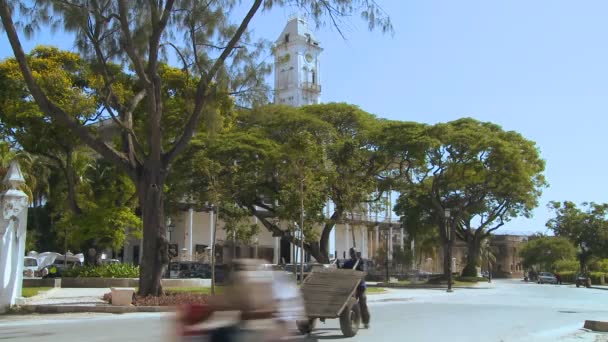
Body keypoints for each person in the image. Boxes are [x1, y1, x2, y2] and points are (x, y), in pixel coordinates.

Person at [341, 247, 370, 329]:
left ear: (356, 253)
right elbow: (343, 270)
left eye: (354, 253)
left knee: (362, 303)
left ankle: (366, 322)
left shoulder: (361, 261)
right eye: (351, 253)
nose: (353, 255)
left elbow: (363, 271)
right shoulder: (348, 263)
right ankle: (352, 320)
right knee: (350, 304)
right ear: (350, 254)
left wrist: (360, 262)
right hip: (351, 286)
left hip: (360, 286)